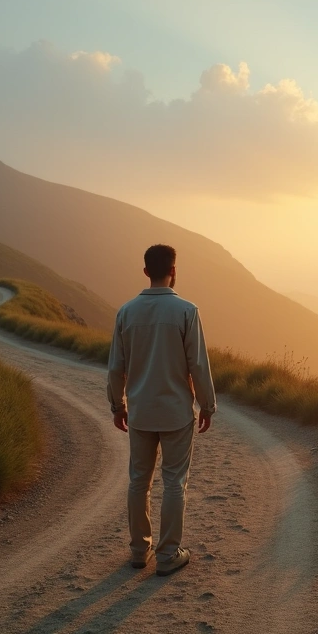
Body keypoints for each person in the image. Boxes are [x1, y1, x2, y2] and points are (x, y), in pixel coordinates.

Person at [107, 244, 216, 577]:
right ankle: (168, 554)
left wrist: (118, 405)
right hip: (175, 413)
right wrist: (207, 405)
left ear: (145, 271)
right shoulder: (186, 311)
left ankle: (139, 551)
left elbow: (116, 368)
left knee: (139, 482)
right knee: (174, 483)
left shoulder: (126, 312)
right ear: (174, 270)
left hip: (140, 412)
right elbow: (197, 364)